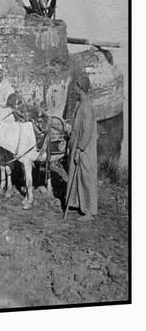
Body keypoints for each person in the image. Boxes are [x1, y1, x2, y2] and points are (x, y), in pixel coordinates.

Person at [65, 74, 98, 221]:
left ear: (81, 88)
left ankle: (90, 211)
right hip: (77, 147)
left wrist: (79, 149)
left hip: (85, 150)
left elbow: (87, 131)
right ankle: (77, 203)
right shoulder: (81, 104)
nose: (74, 89)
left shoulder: (87, 107)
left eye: (76, 86)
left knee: (86, 177)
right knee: (76, 174)